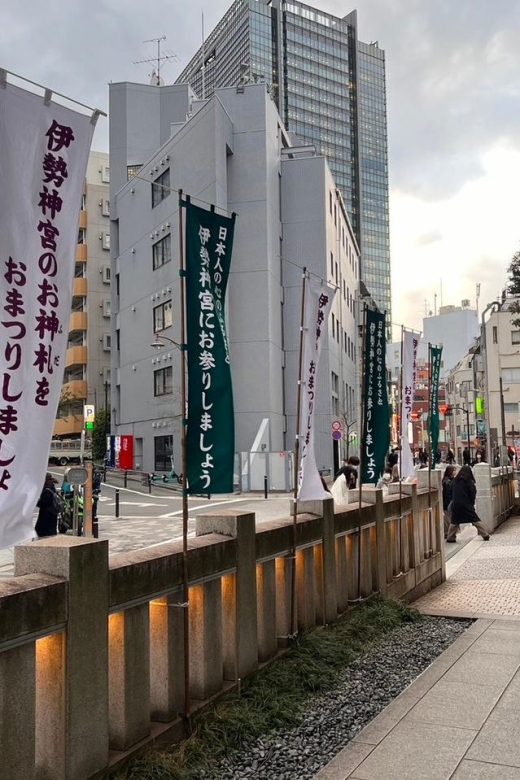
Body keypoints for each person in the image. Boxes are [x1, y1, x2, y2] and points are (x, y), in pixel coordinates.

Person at [446, 465, 490, 542]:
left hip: (456, 504)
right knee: (475, 519)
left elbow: (451, 492)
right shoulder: (468, 482)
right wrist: (471, 503)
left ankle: (450, 537)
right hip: (466, 504)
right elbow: (472, 493)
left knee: (455, 521)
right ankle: (485, 534)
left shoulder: (455, 481)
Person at [35, 472, 59, 538]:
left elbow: (43, 502)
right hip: (52, 513)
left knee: (43, 532)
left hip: (46, 514)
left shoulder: (47, 490)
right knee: (50, 531)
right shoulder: (52, 487)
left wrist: (35, 502)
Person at [442, 465, 457, 540]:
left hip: (449, 503)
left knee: (450, 520)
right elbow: (448, 495)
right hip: (448, 504)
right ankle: (448, 534)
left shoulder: (451, 480)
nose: (455, 472)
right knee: (449, 520)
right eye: (453, 470)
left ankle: (450, 534)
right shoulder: (447, 482)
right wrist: (450, 504)